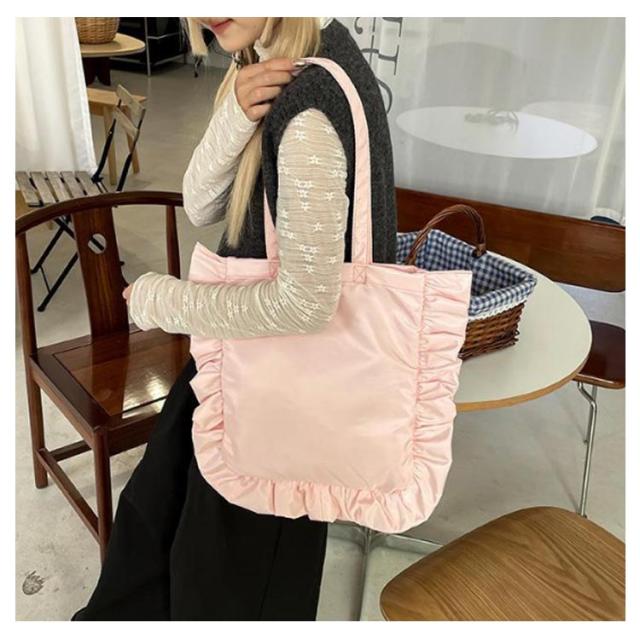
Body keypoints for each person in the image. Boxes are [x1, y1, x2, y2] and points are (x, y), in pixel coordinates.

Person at [72, 16, 396, 621]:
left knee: (215, 588)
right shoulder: (270, 65)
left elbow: (306, 302)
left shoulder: (309, 104)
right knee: (158, 545)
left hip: (277, 413)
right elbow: (201, 204)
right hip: (243, 373)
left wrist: (159, 300)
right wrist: (233, 117)